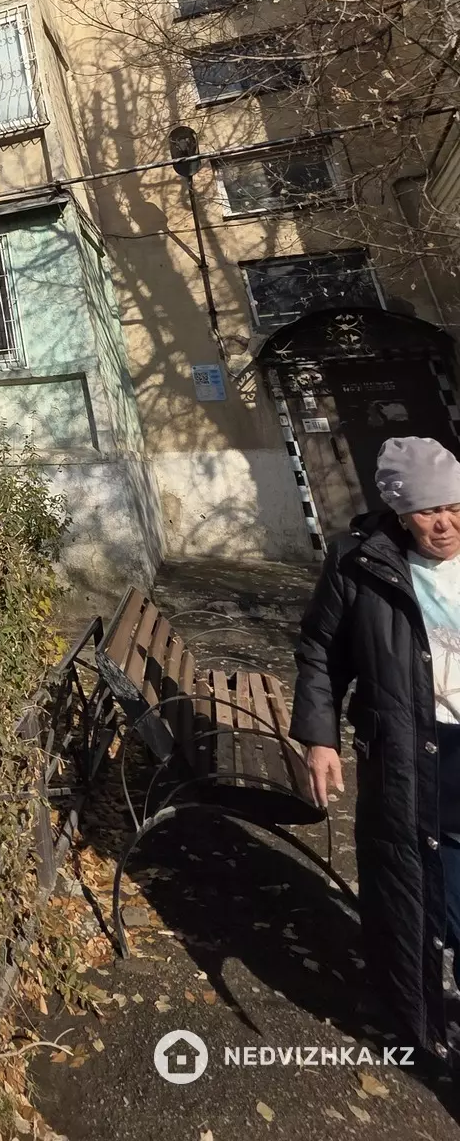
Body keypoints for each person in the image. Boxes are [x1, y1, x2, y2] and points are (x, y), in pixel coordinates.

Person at [292, 435, 460, 1062]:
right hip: (413, 750)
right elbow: (320, 652)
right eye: (427, 511)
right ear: (399, 511)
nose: (444, 523)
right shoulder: (360, 562)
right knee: (421, 885)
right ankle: (418, 1010)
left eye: (455, 507)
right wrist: (320, 737)